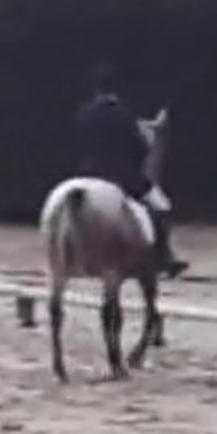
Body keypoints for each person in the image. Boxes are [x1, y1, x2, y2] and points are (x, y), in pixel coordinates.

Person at [74, 63, 187, 279]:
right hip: (121, 175)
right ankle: (164, 256)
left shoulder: (83, 114)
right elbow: (139, 147)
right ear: (116, 89)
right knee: (161, 206)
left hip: (87, 174)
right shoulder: (123, 114)